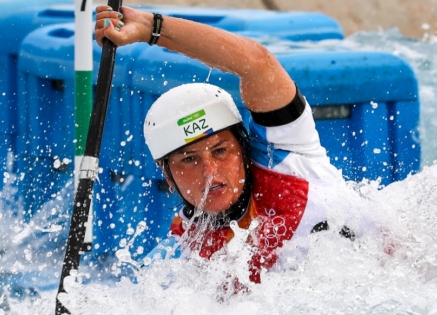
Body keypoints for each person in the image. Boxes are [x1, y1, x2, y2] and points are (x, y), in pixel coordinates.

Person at [93, 5, 367, 284]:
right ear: (168, 177)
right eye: (189, 159)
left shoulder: (286, 156)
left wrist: (153, 28)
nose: (210, 172)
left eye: (221, 151)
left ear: (243, 147)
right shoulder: (190, 243)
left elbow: (257, 64)